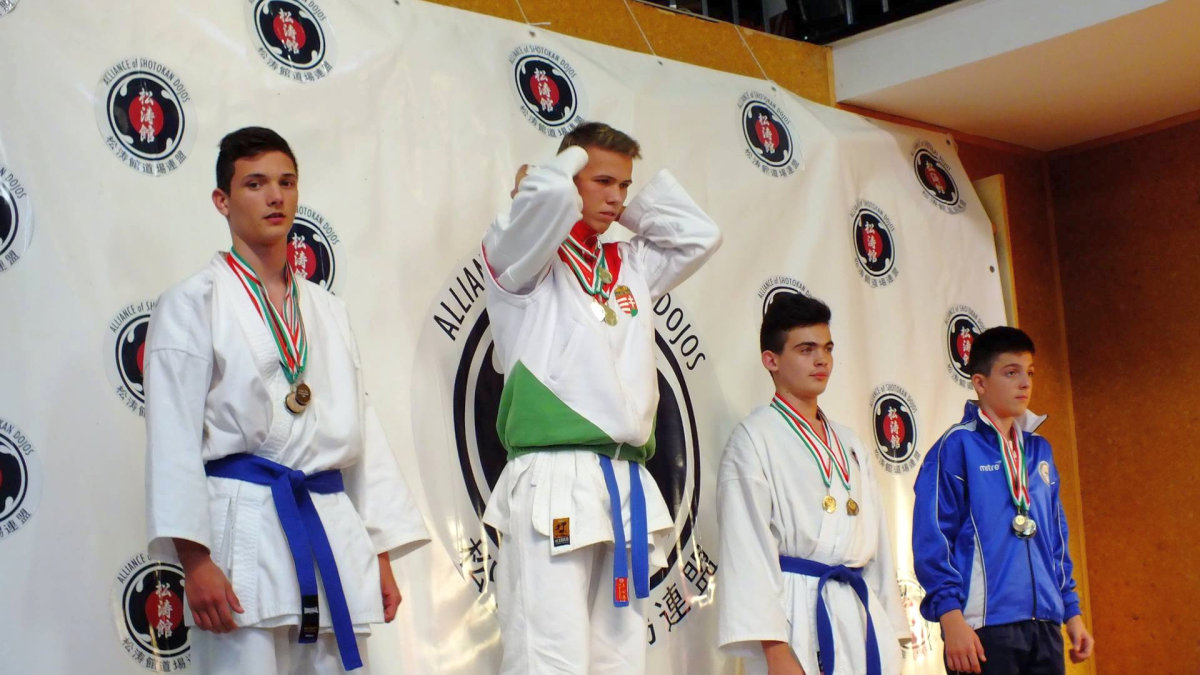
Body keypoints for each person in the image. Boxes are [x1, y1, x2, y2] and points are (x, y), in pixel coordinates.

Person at [143, 127, 429, 674]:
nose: (275, 196)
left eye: (286, 182)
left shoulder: (327, 308)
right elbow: (172, 437)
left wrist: (377, 551)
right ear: (222, 201)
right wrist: (195, 561)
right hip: (241, 535)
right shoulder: (192, 302)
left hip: (331, 530)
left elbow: (360, 428)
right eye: (255, 184)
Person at [480, 121, 721, 674]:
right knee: (548, 656)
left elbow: (700, 236)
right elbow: (541, 204)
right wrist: (557, 180)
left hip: (624, 478)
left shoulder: (630, 265)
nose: (615, 197)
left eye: (624, 185)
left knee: (621, 659)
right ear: (568, 182)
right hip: (552, 474)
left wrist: (620, 207)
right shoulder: (522, 261)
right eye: (602, 182)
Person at [716, 292, 907, 675]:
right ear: (771, 360)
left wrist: (891, 627)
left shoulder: (850, 442)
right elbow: (746, 548)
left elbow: (879, 545)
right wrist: (775, 649)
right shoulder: (753, 438)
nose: (822, 360)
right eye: (806, 349)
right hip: (793, 613)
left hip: (859, 609)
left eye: (827, 348)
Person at [912, 326, 1094, 674]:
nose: (1024, 383)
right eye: (1011, 373)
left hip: (1045, 625)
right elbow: (933, 539)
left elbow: (1055, 540)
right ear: (980, 383)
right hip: (984, 627)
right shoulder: (956, 447)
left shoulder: (1039, 451)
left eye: (1030, 372)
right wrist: (951, 619)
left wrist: (1072, 612)